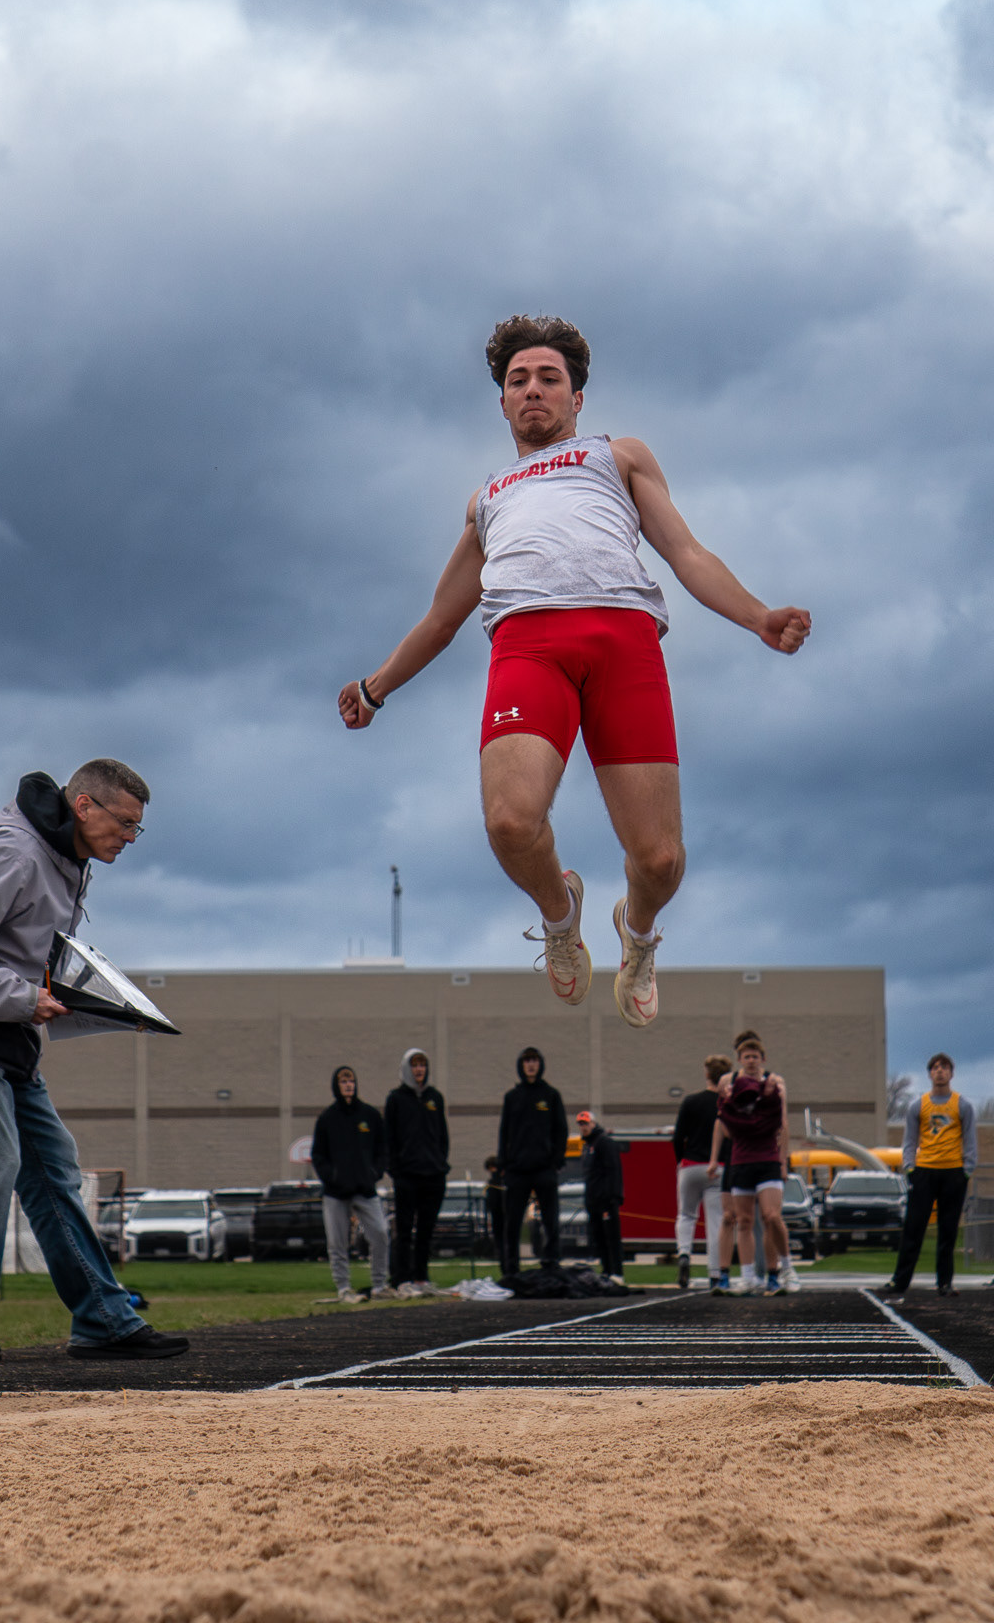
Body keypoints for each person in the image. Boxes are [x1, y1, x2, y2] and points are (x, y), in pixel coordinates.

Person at [338, 316, 811, 1031]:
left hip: (623, 642)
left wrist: (757, 616)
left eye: (548, 379)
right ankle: (561, 919)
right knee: (508, 821)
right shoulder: (487, 498)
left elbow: (686, 554)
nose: (532, 391)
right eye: (518, 381)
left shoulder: (617, 457)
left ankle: (639, 935)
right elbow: (441, 618)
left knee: (660, 860)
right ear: (501, 402)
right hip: (528, 648)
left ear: (577, 397)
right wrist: (376, 687)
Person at [0, 763, 187, 1363]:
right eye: (125, 823)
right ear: (83, 806)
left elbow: (28, 951)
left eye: (137, 828)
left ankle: (103, 1319)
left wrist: (78, 995)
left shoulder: (69, 861)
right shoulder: (14, 853)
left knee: (55, 1171)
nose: (130, 837)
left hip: (5, 1032)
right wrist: (25, 999)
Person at [713, 1031, 798, 1296]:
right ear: (738, 1059)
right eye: (746, 1056)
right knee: (743, 1220)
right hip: (740, 1159)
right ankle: (748, 1277)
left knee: (771, 1216)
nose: (751, 1060)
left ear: (762, 1059)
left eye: (755, 1056)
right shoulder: (729, 1081)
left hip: (768, 1158)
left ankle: (784, 1269)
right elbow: (722, 1122)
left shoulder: (773, 1083)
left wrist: (783, 1160)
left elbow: (782, 1123)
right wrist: (716, 1157)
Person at [888, 1053, 976, 1297]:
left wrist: (966, 1170)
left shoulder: (962, 1105)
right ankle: (900, 1281)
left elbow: (970, 1141)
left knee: (948, 1231)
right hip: (924, 1172)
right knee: (913, 1229)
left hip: (953, 1173)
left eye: (944, 1067)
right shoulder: (918, 1105)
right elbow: (909, 1140)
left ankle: (944, 1283)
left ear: (951, 1073)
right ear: (929, 1074)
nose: (940, 1071)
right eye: (935, 1068)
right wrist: (910, 1168)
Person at [312, 1066, 393, 1301]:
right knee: (337, 1242)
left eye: (351, 1080)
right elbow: (319, 1155)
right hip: (336, 1193)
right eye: (343, 1080)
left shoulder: (369, 1115)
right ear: (336, 1085)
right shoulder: (327, 1119)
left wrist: (374, 1173)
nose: (348, 1084)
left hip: (365, 1189)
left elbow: (382, 1149)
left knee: (380, 1234)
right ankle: (344, 1288)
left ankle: (379, 1285)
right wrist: (333, 1177)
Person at [497, 1046, 568, 1277]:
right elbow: (504, 1132)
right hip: (517, 1170)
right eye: (527, 1060)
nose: (531, 1064)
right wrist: (504, 1164)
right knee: (513, 1223)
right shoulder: (512, 1097)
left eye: (535, 1060)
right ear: (521, 1065)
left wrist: (556, 1161)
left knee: (551, 1220)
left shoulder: (551, 1095)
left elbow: (561, 1131)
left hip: (544, 1168)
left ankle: (551, 1262)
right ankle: (511, 1268)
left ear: (540, 1064)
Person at [383, 1049, 449, 1295]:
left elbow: (442, 1135)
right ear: (406, 1068)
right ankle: (402, 1278)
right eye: (414, 1065)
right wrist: (396, 1170)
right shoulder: (396, 1099)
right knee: (404, 1231)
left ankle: (421, 1277)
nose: (419, 1069)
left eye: (422, 1064)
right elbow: (388, 1137)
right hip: (407, 1176)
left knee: (425, 1231)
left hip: (433, 1174)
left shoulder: (435, 1098)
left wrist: (440, 1163)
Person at [672, 1054, 731, 1289]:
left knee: (686, 1214)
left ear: (706, 1074)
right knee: (716, 1222)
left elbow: (678, 1137)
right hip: (718, 1168)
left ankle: (684, 1253)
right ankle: (715, 1273)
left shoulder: (690, 1101)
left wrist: (680, 1160)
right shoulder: (727, 1104)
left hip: (690, 1166)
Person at [575, 1110, 626, 1279]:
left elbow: (613, 1171)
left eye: (586, 1123)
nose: (583, 1127)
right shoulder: (587, 1146)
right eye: (581, 1124)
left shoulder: (604, 1142)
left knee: (611, 1238)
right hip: (593, 1201)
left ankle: (617, 1273)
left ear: (593, 1124)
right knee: (599, 1239)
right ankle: (606, 1271)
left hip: (606, 1201)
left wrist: (612, 1197)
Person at [483, 1154, 508, 1269]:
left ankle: (505, 1265)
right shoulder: (504, 1181)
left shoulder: (495, 1182)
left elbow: (491, 1202)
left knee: (502, 1242)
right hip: (502, 1214)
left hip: (499, 1215)